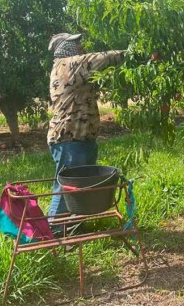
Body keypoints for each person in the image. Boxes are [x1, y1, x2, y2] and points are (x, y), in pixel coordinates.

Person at [46, 33, 125, 230]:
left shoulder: (65, 67)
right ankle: (54, 232)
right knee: (67, 188)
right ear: (67, 47)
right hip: (70, 138)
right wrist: (136, 53)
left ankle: (71, 228)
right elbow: (103, 58)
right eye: (76, 44)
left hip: (78, 138)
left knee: (78, 187)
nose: (81, 47)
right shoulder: (69, 65)